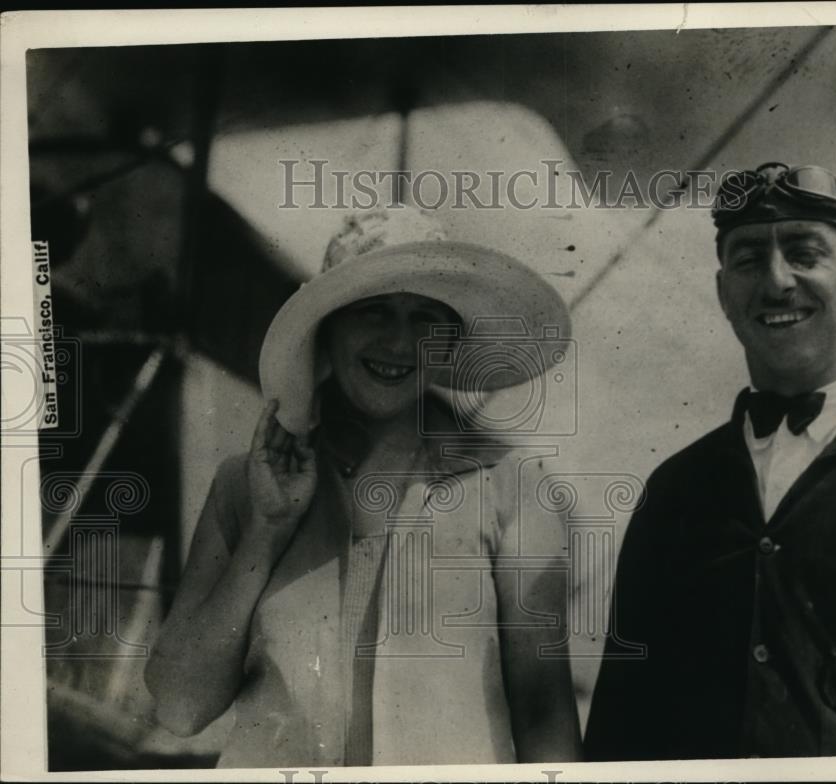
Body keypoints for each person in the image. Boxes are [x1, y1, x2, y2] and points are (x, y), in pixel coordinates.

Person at [145, 209, 583, 767]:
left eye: (426, 318)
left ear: (450, 343)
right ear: (326, 329)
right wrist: (266, 531)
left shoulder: (512, 488)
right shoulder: (244, 485)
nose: (399, 341)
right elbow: (180, 709)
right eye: (373, 311)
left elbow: (545, 715)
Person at [584, 163, 836, 759]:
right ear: (721, 292)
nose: (777, 281)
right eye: (749, 260)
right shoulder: (677, 489)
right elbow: (617, 732)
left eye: (805, 254)